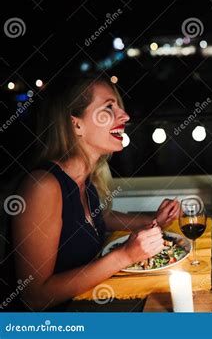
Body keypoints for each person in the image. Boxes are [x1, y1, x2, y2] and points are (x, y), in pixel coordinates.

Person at [8, 76, 179, 311]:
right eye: (109, 107)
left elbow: (98, 219)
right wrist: (125, 256)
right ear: (76, 124)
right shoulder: (42, 186)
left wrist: (153, 222)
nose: (125, 116)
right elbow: (34, 297)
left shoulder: (85, 179)